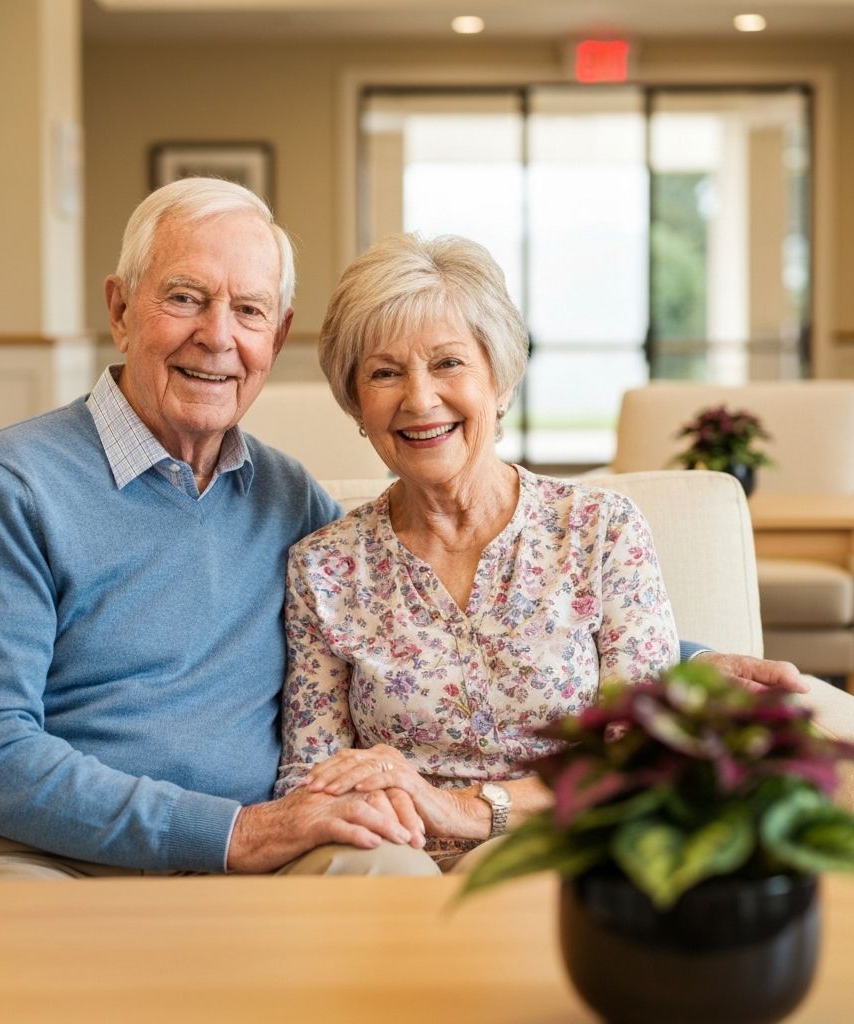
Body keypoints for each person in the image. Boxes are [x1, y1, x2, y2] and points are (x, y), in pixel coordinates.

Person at [0, 178, 804, 951]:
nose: (217, 336)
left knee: (381, 909)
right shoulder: (14, 483)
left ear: (274, 343)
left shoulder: (284, 500)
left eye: (247, 311)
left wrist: (676, 664)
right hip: (20, 854)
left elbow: (446, 599)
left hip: (233, 860)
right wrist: (238, 832)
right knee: (73, 961)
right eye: (184, 298)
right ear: (121, 308)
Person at [275, 232, 804, 868]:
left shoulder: (600, 532)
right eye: (385, 373)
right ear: (357, 405)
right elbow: (311, 776)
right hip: (390, 851)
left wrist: (471, 808)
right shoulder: (323, 569)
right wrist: (387, 811)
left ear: (498, 382)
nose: (419, 398)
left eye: (448, 363)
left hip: (560, 837)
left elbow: (638, 756)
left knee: (521, 872)